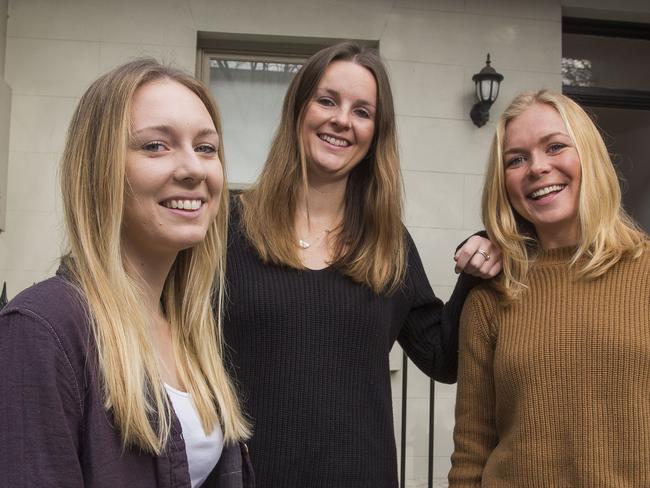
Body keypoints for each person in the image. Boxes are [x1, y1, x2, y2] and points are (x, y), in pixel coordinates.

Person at [222, 42, 501, 487]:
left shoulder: (388, 243)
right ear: (298, 109)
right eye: (327, 100)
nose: (341, 120)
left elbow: (442, 357)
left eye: (362, 111)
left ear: (376, 134)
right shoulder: (226, 229)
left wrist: (478, 265)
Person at [0, 59, 252, 487]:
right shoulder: (43, 330)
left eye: (206, 148)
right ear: (100, 170)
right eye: (156, 146)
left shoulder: (189, 327)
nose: (193, 169)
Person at [449, 90, 649, 487]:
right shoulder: (490, 297)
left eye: (555, 147)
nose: (537, 168)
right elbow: (472, 449)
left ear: (588, 155)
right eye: (516, 159)